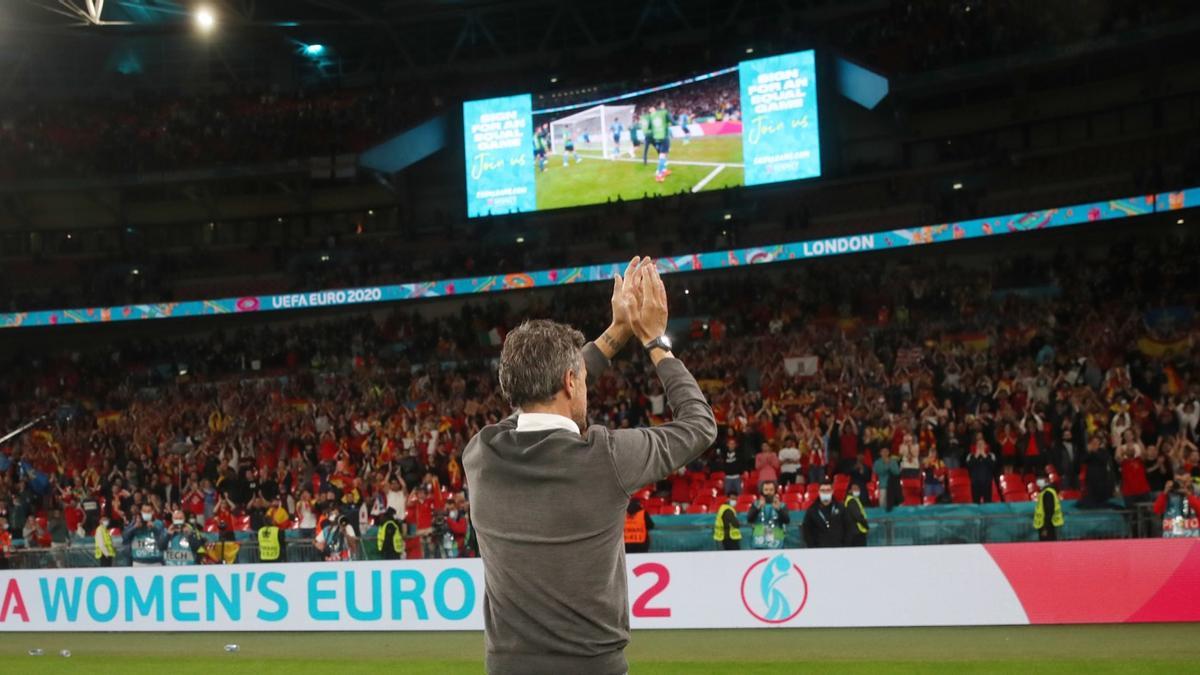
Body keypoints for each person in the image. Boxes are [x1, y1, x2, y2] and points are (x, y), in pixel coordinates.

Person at [462, 257, 716, 675]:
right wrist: (654, 340)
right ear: (570, 381)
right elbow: (699, 425)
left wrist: (616, 332)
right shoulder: (606, 457)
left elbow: (535, 399)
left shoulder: (481, 454)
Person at [1153, 471, 1200, 538]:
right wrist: (1164, 493)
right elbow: (1157, 510)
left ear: (1190, 481)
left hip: (1193, 537)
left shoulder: (1197, 494)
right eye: (1179, 481)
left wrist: (1189, 495)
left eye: (1185, 481)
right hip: (1171, 537)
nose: (1182, 485)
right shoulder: (1167, 495)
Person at [802, 480, 847, 548]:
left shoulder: (841, 508)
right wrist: (812, 547)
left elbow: (848, 527)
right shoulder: (812, 510)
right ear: (819, 492)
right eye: (823, 490)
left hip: (839, 549)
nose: (825, 492)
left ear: (832, 491)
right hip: (819, 550)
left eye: (828, 490)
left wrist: (845, 545)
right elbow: (806, 531)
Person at [746, 480, 789, 549]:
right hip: (759, 543)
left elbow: (787, 520)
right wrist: (758, 508)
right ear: (762, 491)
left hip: (776, 543)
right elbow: (749, 519)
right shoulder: (756, 504)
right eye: (766, 490)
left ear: (775, 491)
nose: (768, 492)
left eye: (771, 490)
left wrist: (779, 509)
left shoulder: (781, 505)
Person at [966, 435, 998, 504]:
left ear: (986, 446)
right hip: (975, 483)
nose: (980, 446)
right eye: (978, 444)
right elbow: (969, 466)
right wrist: (976, 455)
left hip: (987, 483)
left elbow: (993, 466)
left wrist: (984, 455)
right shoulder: (971, 455)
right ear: (976, 446)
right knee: (976, 502)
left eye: (982, 444)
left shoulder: (990, 455)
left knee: (987, 502)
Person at [1033, 475, 1063, 541]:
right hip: (1048, 524)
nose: (1038, 482)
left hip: (1047, 525)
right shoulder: (1046, 492)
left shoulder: (1048, 493)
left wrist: (1045, 528)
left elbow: (1049, 511)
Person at [650, 101, 671, 183]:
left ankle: (664, 170)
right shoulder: (659, 116)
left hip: (658, 137)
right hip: (662, 137)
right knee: (662, 155)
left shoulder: (653, 117)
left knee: (664, 154)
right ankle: (659, 174)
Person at [873, 447, 900, 511]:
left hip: (893, 486)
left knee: (893, 505)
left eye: (886, 451)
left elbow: (897, 472)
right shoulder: (877, 462)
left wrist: (889, 465)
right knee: (882, 504)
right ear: (880, 453)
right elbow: (878, 471)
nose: (885, 453)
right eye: (883, 451)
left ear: (888, 453)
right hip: (883, 486)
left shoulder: (893, 461)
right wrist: (886, 465)